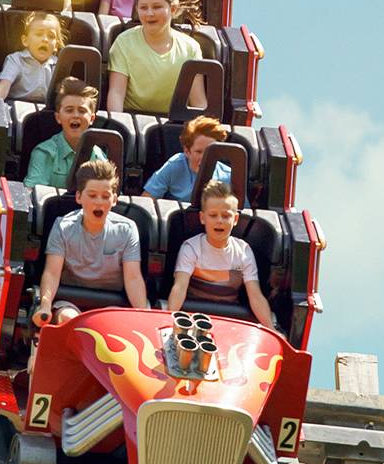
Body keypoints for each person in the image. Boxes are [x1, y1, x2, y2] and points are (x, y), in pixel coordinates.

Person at [33, 160, 149, 326]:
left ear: (114, 199)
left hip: (111, 307)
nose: (99, 202)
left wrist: (142, 316)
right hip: (69, 303)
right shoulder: (63, 226)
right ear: (79, 197)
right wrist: (44, 305)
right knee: (70, 320)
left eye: (105, 196)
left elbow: (133, 278)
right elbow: (51, 272)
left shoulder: (127, 230)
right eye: (92, 195)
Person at [168, 180, 272, 327]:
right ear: (202, 218)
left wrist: (271, 328)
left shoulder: (243, 251)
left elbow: (255, 296)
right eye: (213, 215)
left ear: (235, 219)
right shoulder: (191, 247)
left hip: (228, 318)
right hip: (192, 316)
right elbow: (179, 287)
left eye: (225, 216)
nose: (219, 221)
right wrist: (169, 321)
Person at [106, 0, 205, 115]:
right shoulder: (124, 42)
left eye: (157, 7)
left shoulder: (190, 47)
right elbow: (116, 93)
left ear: (173, 9)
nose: (149, 13)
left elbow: (198, 102)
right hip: (131, 120)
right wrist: (119, 122)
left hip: (174, 123)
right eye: (143, 8)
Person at [25, 77, 106, 188]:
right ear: (58, 117)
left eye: (82, 111)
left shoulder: (98, 156)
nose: (76, 115)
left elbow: (109, 196)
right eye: (69, 110)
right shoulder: (45, 152)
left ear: (92, 119)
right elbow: (32, 193)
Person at [143, 115, 231, 200]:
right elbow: (148, 198)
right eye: (199, 152)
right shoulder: (174, 166)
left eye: (210, 151)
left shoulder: (228, 176)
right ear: (187, 151)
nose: (205, 158)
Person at [0, 12, 64, 102]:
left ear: (56, 46)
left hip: (46, 109)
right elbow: (4, 86)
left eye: (51, 36)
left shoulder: (57, 65)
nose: (45, 40)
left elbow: (62, 95)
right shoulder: (16, 59)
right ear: (25, 40)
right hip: (14, 106)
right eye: (39, 34)